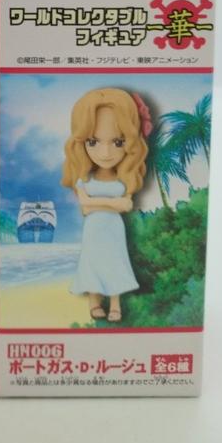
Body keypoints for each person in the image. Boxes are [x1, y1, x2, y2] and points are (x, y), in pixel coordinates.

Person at [61, 86, 149, 323]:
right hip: (94, 229)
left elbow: (125, 206)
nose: (105, 152)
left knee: (114, 262)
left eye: (118, 142)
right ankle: (94, 302)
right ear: (81, 141)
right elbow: (85, 206)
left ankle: (115, 304)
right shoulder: (84, 178)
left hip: (113, 229)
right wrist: (112, 203)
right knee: (93, 262)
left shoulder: (124, 179)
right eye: (93, 141)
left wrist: (98, 203)